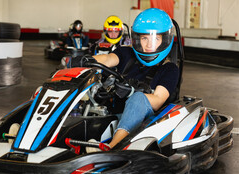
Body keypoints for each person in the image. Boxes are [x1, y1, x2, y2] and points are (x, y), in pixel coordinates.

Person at [71, 8, 179, 149]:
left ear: (165, 40)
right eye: (144, 38)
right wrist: (84, 61)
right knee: (84, 82)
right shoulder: (126, 53)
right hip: (112, 111)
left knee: (138, 98)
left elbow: (158, 100)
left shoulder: (169, 69)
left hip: (145, 119)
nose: (148, 45)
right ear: (137, 38)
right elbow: (108, 58)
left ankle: (112, 148)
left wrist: (131, 92)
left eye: (155, 39)